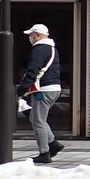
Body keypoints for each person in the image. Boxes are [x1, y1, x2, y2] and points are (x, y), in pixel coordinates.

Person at [18, 24, 63, 164]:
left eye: (31, 35)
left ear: (37, 35)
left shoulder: (39, 50)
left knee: (38, 121)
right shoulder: (52, 48)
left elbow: (33, 70)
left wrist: (20, 90)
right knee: (37, 118)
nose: (30, 38)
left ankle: (44, 152)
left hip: (44, 89)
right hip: (54, 88)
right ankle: (53, 144)